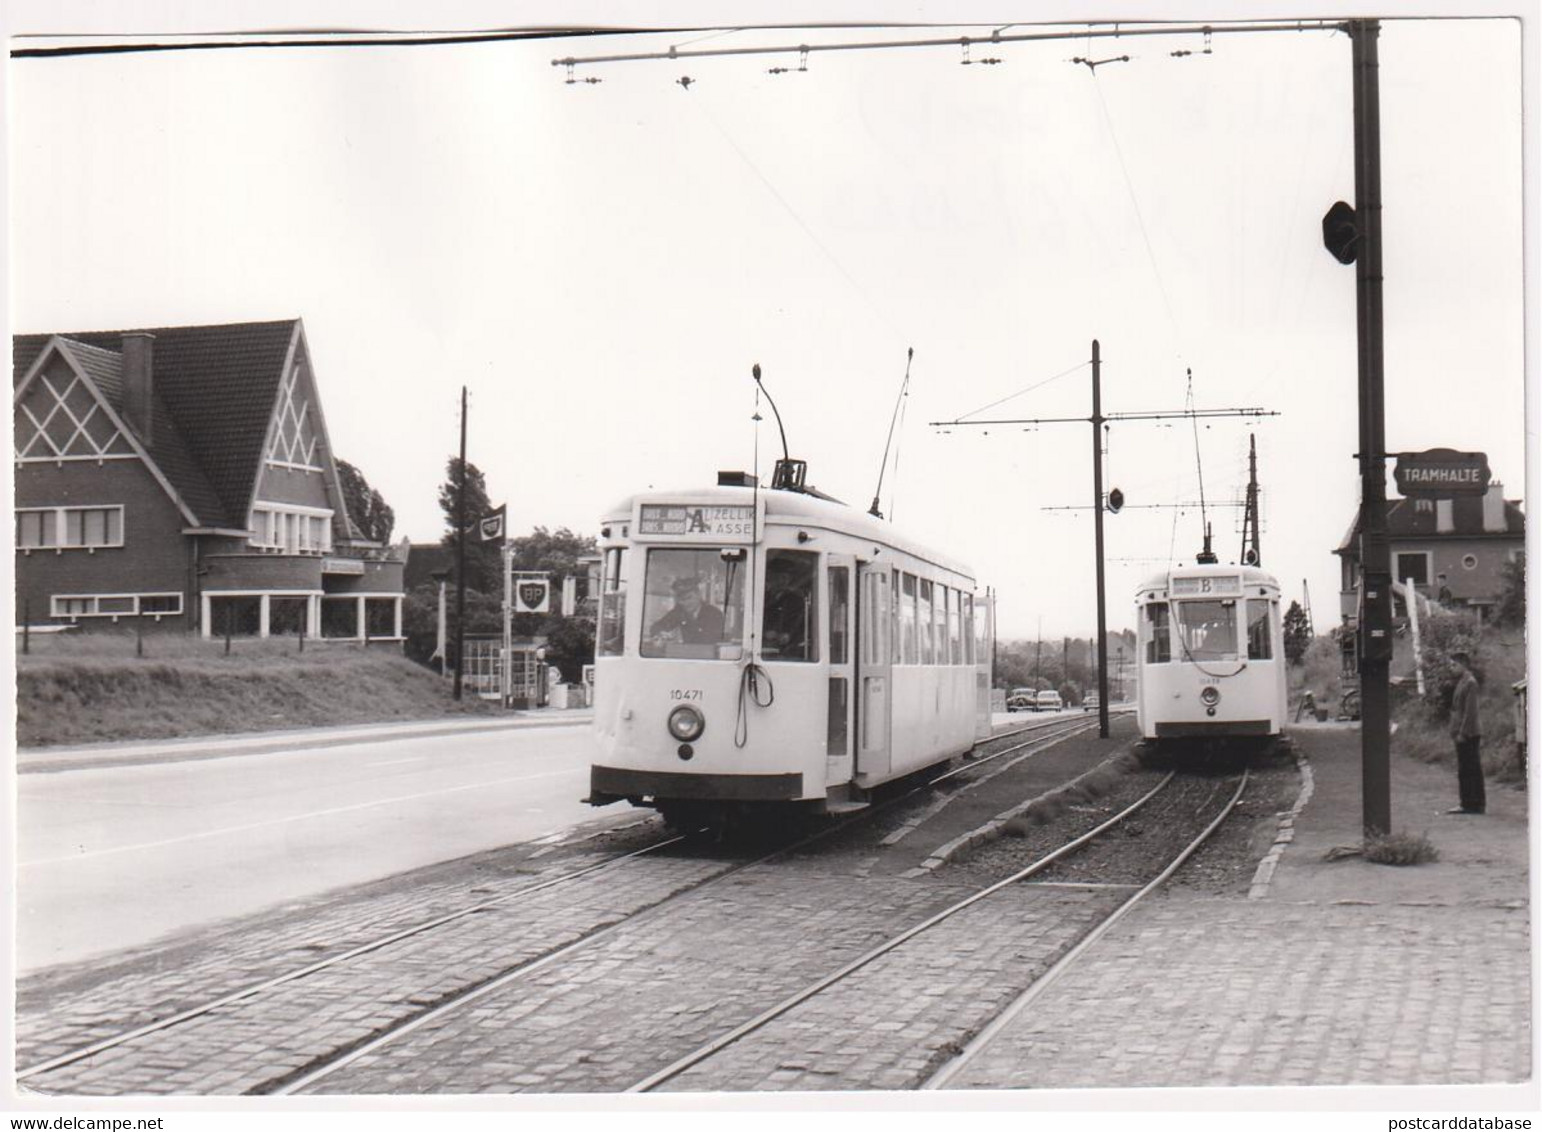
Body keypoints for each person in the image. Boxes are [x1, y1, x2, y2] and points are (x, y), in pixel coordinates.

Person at [1448, 649, 1486, 815]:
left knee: (1469, 768)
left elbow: (1470, 711)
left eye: (1454, 664)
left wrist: (1463, 732)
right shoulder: (1463, 681)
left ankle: (1472, 803)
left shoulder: (1470, 682)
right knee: (1466, 768)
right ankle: (1470, 802)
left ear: (1463, 665)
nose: (1452, 668)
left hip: (1469, 733)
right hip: (1462, 731)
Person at [648, 576, 725, 644]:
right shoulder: (679, 611)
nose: (686, 603)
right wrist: (662, 633)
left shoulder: (714, 614)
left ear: (698, 595)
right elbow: (656, 627)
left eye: (689, 598)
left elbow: (708, 641)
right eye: (681, 600)